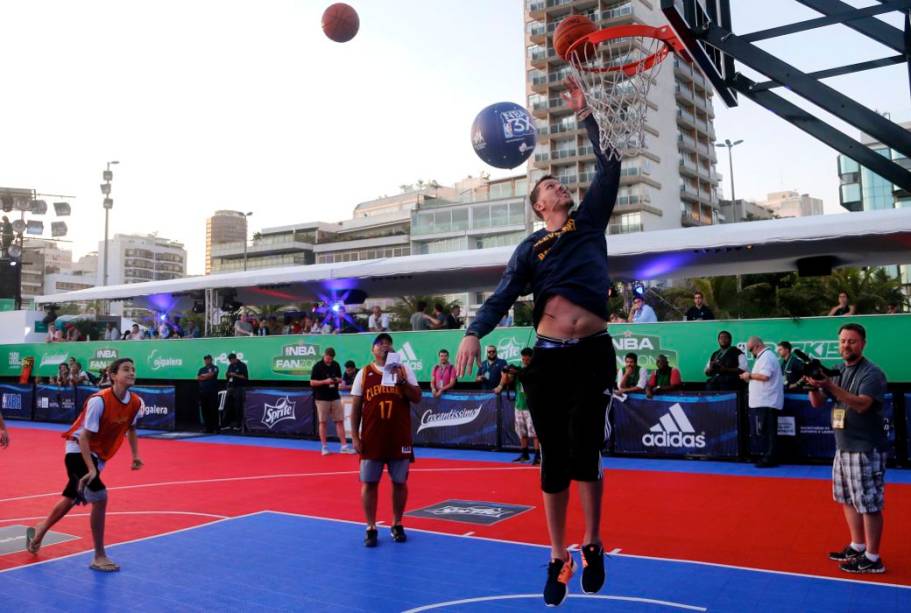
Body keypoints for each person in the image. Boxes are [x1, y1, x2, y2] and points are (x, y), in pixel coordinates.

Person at [455, 77, 620, 606]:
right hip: (548, 359)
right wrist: (474, 332)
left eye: (560, 183)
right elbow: (502, 295)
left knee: (587, 450)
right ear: (538, 204)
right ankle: (556, 554)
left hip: (594, 352)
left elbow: (610, 165)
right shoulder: (530, 249)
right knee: (553, 458)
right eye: (549, 186)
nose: (559, 187)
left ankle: (591, 541)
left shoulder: (589, 223)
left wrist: (587, 113)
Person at [25, 358, 144, 572]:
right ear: (113, 375)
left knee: (71, 498)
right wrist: (91, 468)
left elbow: (132, 429)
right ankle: (99, 555)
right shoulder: (99, 401)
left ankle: (40, 529)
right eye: (126, 369)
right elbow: (83, 438)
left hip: (97, 456)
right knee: (99, 496)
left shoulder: (135, 402)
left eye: (133, 369)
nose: (131, 372)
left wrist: (135, 455)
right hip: (77, 450)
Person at [805, 323, 889, 574]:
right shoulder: (838, 370)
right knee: (848, 499)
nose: (846, 345)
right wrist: (814, 384)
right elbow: (817, 403)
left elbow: (862, 404)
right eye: (842, 341)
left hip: (865, 447)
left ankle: (873, 558)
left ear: (863, 343)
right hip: (843, 446)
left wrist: (829, 385)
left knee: (868, 503)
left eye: (852, 341)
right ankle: (857, 545)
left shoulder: (872, 373)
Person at [350, 333, 421, 548]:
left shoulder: (404, 370)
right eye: (380, 343)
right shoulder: (364, 373)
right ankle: (370, 526)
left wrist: (401, 382)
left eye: (388, 343)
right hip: (372, 437)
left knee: (400, 482)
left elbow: (417, 397)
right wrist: (354, 435)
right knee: (369, 482)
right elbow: (355, 408)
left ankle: (397, 523)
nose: (385, 346)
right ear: (373, 350)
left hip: (398, 436)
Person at [740, 336, 784, 468]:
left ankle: (771, 457)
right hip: (764, 401)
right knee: (765, 431)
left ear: (758, 345)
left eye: (751, 349)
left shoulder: (767, 357)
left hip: (768, 401)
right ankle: (768, 455)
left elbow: (765, 376)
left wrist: (749, 375)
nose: (751, 353)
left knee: (769, 432)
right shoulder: (764, 357)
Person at [311, 347, 354, 455]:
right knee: (323, 422)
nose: (329, 360)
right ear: (324, 355)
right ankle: (324, 447)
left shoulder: (336, 365)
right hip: (321, 398)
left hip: (335, 396)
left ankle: (344, 446)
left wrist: (336, 380)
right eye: (327, 358)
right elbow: (312, 382)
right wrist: (325, 381)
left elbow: (340, 379)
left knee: (339, 421)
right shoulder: (317, 366)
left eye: (331, 358)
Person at [508, 347, 539, 465]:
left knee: (535, 433)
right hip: (519, 405)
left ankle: (538, 456)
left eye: (527, 359)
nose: (525, 360)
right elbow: (508, 381)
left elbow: (527, 376)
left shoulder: (535, 370)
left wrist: (516, 371)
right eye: (523, 358)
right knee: (521, 432)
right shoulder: (518, 370)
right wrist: (506, 372)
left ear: (531, 358)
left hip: (531, 406)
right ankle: (525, 454)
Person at [224, 353, 248, 431]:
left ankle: (238, 425)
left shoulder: (242, 365)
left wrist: (235, 375)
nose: (230, 361)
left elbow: (245, 377)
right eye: (229, 360)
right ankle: (227, 424)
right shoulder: (230, 366)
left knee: (238, 406)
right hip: (231, 387)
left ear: (235, 359)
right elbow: (228, 375)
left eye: (231, 360)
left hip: (239, 388)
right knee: (228, 406)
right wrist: (228, 374)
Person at [197, 355, 220, 433]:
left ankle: (216, 428)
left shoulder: (215, 367)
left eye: (208, 360)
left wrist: (205, 376)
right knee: (205, 411)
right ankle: (208, 428)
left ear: (211, 360)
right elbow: (198, 378)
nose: (207, 361)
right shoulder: (201, 369)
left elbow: (212, 375)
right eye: (205, 360)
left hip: (212, 392)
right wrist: (206, 376)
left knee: (213, 410)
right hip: (203, 392)